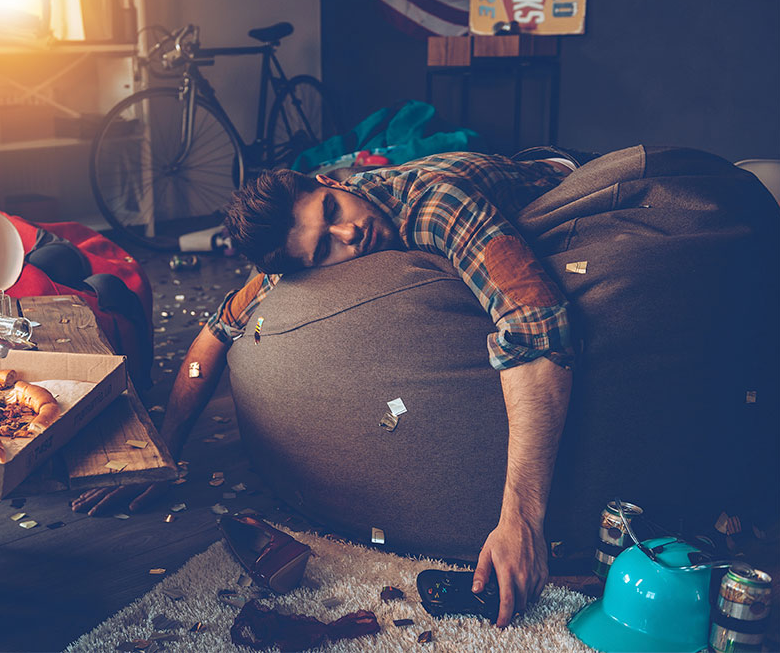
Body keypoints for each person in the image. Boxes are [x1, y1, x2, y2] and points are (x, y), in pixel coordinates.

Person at [73, 150, 581, 627]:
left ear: (328, 182)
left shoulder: (436, 206)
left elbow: (537, 327)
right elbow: (215, 334)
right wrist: (165, 452)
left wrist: (523, 520)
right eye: (324, 246)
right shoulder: (285, 260)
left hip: (553, 172)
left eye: (333, 208)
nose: (351, 231)